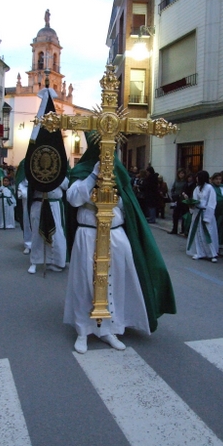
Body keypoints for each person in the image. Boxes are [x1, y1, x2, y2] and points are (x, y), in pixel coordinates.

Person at [63, 137, 176, 354]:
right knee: (85, 283)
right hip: (89, 234)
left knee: (114, 283)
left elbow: (128, 208)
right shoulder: (82, 171)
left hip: (115, 235)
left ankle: (109, 329)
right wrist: (94, 175)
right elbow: (74, 199)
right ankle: (83, 330)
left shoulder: (120, 174)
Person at [28, 177, 69, 274]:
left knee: (57, 234)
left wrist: (54, 178)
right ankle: (35, 261)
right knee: (37, 234)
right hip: (39, 203)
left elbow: (66, 185)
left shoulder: (60, 172)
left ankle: (56, 261)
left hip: (54, 203)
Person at [186, 170, 219, 262]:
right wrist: (191, 205)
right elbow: (195, 200)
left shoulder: (209, 188)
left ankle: (212, 253)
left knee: (208, 233)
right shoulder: (196, 188)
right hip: (197, 213)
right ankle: (199, 252)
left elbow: (212, 203)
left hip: (206, 212)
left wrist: (207, 217)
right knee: (197, 233)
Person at [15, 160, 32, 254]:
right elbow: (20, 185)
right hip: (27, 198)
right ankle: (28, 244)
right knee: (27, 222)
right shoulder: (24, 162)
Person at [210, 172, 223, 248]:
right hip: (215, 211)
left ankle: (221, 243)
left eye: (220, 179)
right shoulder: (211, 187)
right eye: (216, 179)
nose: (218, 181)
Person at [169, 168, 186, 234]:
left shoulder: (185, 182)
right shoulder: (176, 181)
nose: (181, 175)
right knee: (175, 215)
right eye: (180, 173)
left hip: (183, 200)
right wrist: (173, 195)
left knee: (183, 216)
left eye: (182, 173)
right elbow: (173, 189)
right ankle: (174, 229)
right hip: (176, 200)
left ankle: (183, 229)